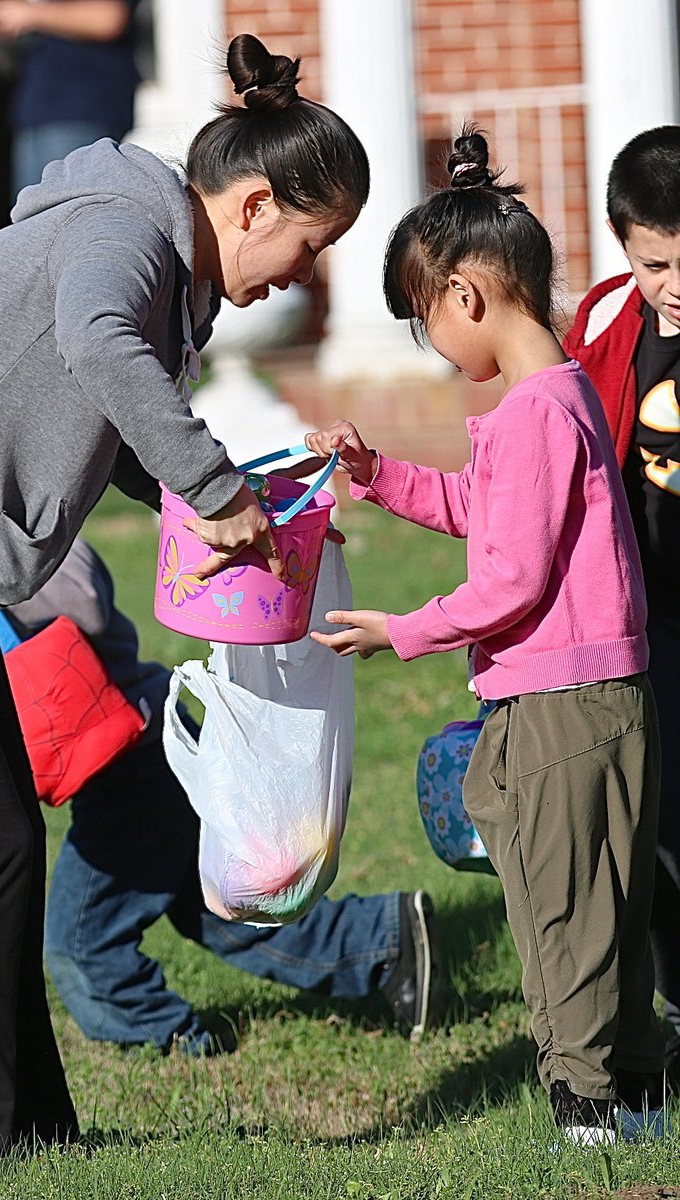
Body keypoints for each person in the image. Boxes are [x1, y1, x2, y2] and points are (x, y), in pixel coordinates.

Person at [0, 33, 369, 1161]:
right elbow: (94, 342)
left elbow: (126, 431)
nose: (305, 276)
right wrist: (210, 484)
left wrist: (253, 503)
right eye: (313, 246)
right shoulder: (126, 232)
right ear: (256, 203)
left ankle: (17, 1127)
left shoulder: (165, 277)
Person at [303, 128, 665, 1147]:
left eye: (425, 321)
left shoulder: (535, 416)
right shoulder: (559, 401)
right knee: (609, 901)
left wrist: (401, 630)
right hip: (601, 696)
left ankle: (584, 1113)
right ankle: (635, 1093)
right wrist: (378, 473)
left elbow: (508, 578)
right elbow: (486, 511)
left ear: (466, 296)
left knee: (559, 912)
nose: (433, 343)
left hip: (560, 706)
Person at [0, 536, 442, 1053]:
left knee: (80, 944)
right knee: (225, 910)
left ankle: (170, 1041)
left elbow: (84, 600)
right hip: (124, 751)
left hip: (133, 754)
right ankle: (383, 940)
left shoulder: (5, 530)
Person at [562, 125, 680, 1084]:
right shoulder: (606, 320)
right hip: (643, 617)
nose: (676, 281)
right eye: (657, 261)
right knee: (656, 830)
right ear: (621, 240)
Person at [0, 0, 140, 197]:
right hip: (38, 111)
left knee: (73, 217)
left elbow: (109, 18)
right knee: (34, 220)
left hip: (82, 112)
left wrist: (29, 14)